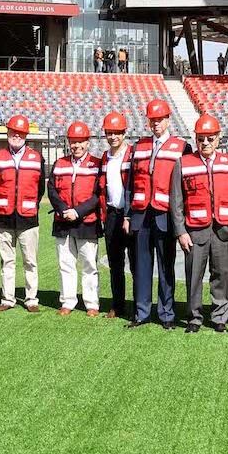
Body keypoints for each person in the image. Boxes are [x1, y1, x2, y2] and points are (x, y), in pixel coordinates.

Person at [170, 114, 228, 333]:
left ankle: (219, 317)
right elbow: (176, 201)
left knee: (223, 275)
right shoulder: (183, 163)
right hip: (195, 230)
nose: (205, 143)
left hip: (223, 230)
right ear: (196, 139)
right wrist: (181, 231)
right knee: (194, 276)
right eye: (201, 139)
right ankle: (194, 317)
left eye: (210, 138)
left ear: (218, 138)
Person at [124, 99, 188, 329]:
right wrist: (127, 214)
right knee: (141, 266)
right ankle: (141, 312)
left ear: (168, 119)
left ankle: (166, 313)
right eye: (152, 120)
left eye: (160, 120)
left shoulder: (181, 147)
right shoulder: (138, 147)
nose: (156, 124)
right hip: (141, 215)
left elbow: (184, 187)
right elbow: (130, 183)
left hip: (165, 216)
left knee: (165, 266)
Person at [47, 122, 104, 317]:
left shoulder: (97, 164)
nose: (77, 146)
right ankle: (68, 301)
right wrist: (64, 210)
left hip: (86, 221)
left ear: (88, 142)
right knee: (66, 263)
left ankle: (91, 303)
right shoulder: (60, 163)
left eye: (80, 142)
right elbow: (52, 190)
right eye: (73, 142)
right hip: (63, 221)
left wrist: (78, 211)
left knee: (89, 264)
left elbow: (98, 195)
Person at [0, 114, 44, 312]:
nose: (16, 136)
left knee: (30, 261)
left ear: (25, 135)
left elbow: (40, 190)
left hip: (28, 218)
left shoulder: (37, 157)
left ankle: (31, 299)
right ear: (8, 133)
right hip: (4, 218)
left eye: (20, 133)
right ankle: (7, 299)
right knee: (7, 261)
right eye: (13, 132)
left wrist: (28, 205)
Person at [99, 111, 133, 319]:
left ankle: (139, 304)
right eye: (109, 133)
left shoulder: (133, 153)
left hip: (130, 215)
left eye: (117, 132)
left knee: (137, 263)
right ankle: (118, 304)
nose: (113, 137)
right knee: (115, 263)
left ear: (124, 133)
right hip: (111, 214)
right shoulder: (105, 157)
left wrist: (130, 214)